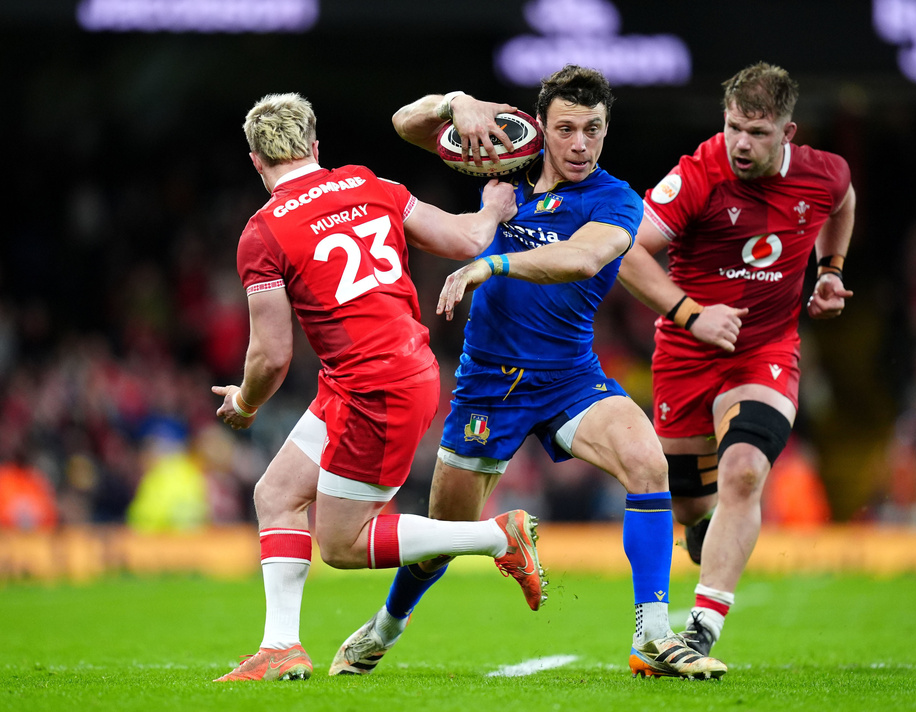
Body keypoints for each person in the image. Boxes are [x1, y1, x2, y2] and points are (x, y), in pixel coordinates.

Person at [334, 65, 726, 680]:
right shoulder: (505, 165)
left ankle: (652, 635)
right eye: (566, 128)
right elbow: (403, 127)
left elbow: (584, 257)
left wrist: (493, 267)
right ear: (541, 125)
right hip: (489, 385)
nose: (579, 144)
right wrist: (455, 103)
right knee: (444, 533)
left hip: (570, 377)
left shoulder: (615, 199)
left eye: (593, 130)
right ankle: (386, 626)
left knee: (647, 461)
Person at [212, 92, 547, 682]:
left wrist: (243, 402)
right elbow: (468, 240)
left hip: (374, 387)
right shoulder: (372, 184)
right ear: (316, 146)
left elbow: (270, 356)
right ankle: (280, 647)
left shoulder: (262, 233)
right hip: (381, 372)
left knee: (340, 546)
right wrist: (494, 208)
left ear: (256, 162)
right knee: (277, 494)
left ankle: (496, 537)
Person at [616, 62, 856, 659]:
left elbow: (844, 201)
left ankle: (702, 623)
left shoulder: (823, 175)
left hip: (766, 350)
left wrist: (831, 272)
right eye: (732, 128)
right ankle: (704, 534)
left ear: (788, 133)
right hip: (686, 355)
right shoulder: (699, 175)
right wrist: (694, 313)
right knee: (691, 509)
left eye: (757, 132)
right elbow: (627, 255)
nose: (741, 144)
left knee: (745, 469)